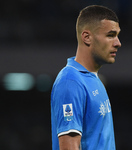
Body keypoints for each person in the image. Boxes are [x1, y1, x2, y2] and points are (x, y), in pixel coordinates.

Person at [51, 5, 121, 150]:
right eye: (110, 35)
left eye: (117, 35)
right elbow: (69, 147)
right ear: (87, 37)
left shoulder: (93, 79)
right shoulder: (70, 82)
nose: (118, 43)